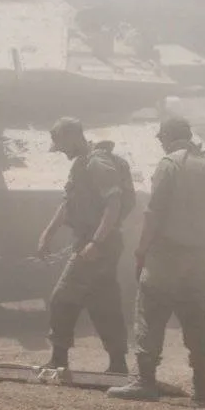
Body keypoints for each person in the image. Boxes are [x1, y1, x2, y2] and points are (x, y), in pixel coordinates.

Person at [109, 118, 205, 407]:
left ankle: (145, 381)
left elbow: (154, 212)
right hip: (199, 254)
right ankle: (202, 387)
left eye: (162, 138)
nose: (161, 143)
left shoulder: (170, 164)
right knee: (196, 317)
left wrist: (141, 250)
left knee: (149, 312)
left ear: (170, 137)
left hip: (167, 254)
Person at [37, 118, 134, 373]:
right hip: (97, 241)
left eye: (62, 146)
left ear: (73, 138)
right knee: (104, 301)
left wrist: (96, 242)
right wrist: (48, 233)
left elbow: (114, 205)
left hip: (98, 242)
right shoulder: (82, 164)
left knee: (62, 297)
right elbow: (68, 203)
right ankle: (118, 363)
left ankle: (59, 358)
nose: (62, 152)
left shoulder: (97, 163)